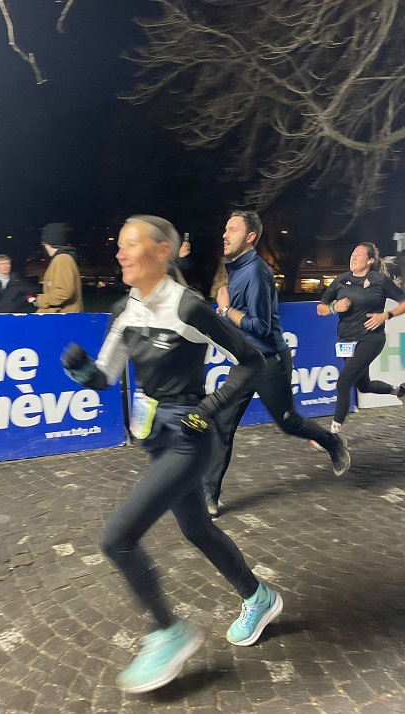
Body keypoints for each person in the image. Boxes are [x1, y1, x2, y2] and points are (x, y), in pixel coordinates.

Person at [61, 215, 283, 694]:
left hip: (189, 438)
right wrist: (81, 372)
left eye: (130, 244)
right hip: (157, 438)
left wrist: (208, 410)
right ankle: (259, 596)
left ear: (163, 251)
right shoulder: (124, 309)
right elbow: (105, 376)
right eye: (119, 245)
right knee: (196, 529)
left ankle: (168, 632)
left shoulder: (188, 307)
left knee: (117, 539)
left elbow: (251, 361)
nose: (120, 253)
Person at [207, 211, 350, 516]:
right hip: (244, 361)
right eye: (225, 228)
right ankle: (210, 494)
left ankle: (332, 442)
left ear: (250, 237)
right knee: (222, 425)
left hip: (269, 361)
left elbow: (259, 327)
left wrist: (225, 310)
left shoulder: (256, 272)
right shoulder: (237, 268)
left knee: (288, 423)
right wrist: (226, 310)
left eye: (232, 229)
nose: (225, 234)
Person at [316, 241, 405, 435]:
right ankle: (399, 391)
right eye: (352, 254)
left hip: (371, 338)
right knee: (363, 386)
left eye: (358, 254)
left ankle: (334, 435)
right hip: (347, 340)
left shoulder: (379, 280)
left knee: (343, 382)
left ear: (370, 260)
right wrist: (333, 307)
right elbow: (320, 308)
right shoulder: (341, 280)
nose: (353, 257)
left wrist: (386, 315)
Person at [36, 224, 83, 313]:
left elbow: (64, 292)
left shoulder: (62, 259)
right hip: (61, 316)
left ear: (46, 242)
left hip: (63, 317)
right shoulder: (62, 258)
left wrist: (39, 300)